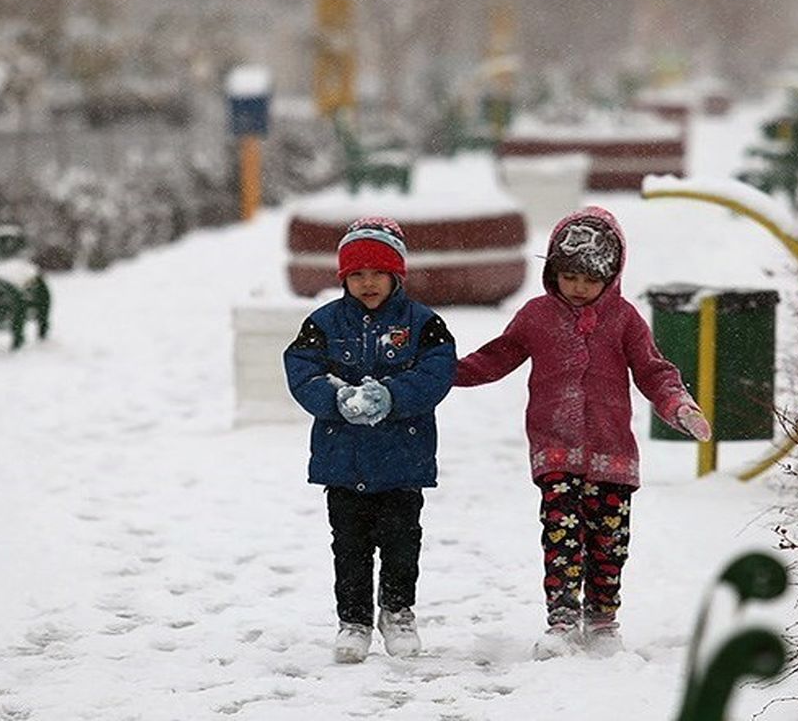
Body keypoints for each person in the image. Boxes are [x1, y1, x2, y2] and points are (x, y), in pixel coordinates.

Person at [451, 206, 712, 659]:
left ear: (610, 278)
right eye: (569, 277)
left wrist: (678, 405)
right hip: (554, 451)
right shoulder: (535, 316)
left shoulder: (626, 320)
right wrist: (444, 374)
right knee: (561, 536)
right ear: (554, 271)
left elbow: (654, 372)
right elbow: (496, 357)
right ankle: (563, 619)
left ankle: (603, 617)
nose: (578, 288)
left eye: (590, 280)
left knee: (609, 542)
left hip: (613, 455)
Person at [283, 216, 456, 663]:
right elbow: (301, 371)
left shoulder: (423, 324)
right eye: (356, 274)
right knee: (350, 548)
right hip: (345, 463)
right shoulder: (322, 324)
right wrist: (335, 397)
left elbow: (438, 372)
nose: (367, 283)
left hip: (403, 463)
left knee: (402, 544)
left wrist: (393, 396)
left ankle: (397, 612)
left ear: (397, 274)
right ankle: (354, 620)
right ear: (343, 278)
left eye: (378, 272)